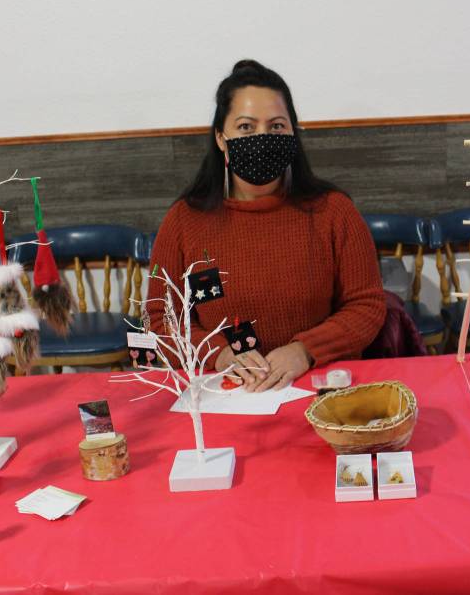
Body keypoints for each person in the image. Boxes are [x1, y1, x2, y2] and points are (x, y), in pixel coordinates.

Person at [148, 60, 385, 391]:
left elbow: (367, 306)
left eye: (276, 126)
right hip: (227, 393)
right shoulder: (184, 221)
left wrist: (305, 350)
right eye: (246, 127)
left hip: (322, 389)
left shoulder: (334, 212)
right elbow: (160, 320)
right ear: (221, 137)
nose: (262, 137)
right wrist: (219, 355)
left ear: (292, 135)